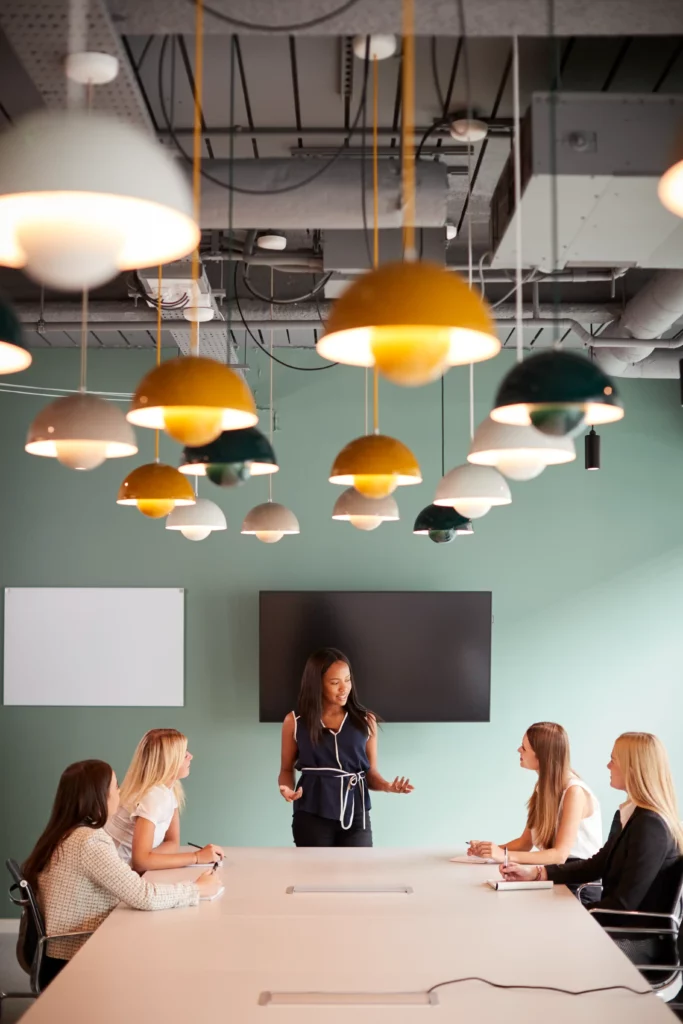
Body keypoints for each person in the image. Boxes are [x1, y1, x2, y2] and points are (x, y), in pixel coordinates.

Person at [23, 760, 221, 984]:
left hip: (61, 949)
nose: (120, 793)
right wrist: (197, 889)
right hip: (74, 956)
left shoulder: (65, 833)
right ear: (100, 797)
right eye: (116, 787)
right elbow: (144, 896)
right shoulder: (89, 842)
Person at [501, 732, 683, 915]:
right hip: (612, 921)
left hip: (625, 930)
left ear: (632, 768)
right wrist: (536, 873)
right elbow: (596, 865)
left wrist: (571, 913)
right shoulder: (631, 816)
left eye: (613, 760)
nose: (608, 766)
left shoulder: (650, 826)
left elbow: (623, 905)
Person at [279, 647, 414, 847]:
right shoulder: (294, 721)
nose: (344, 688)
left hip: (356, 815)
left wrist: (388, 786)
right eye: (335, 683)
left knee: (359, 868)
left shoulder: (366, 720)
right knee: (314, 869)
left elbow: (370, 773)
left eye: (348, 680)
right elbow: (286, 770)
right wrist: (287, 790)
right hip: (311, 813)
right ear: (317, 684)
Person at [468, 722, 602, 865]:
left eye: (524, 748)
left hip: (578, 877)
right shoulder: (542, 788)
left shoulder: (575, 792)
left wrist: (504, 855)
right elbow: (524, 843)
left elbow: (559, 856)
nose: (519, 750)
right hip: (556, 872)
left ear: (541, 756)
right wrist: (488, 851)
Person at [106, 728, 223, 872]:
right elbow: (140, 862)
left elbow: (172, 842)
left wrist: (152, 859)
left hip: (127, 873)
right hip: (116, 876)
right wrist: (197, 857)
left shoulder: (169, 791)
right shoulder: (152, 797)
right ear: (168, 761)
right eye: (184, 753)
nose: (190, 756)